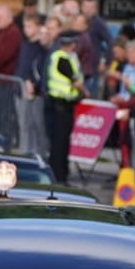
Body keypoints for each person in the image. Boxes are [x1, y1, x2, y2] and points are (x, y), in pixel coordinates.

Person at [43, 32, 85, 182]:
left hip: (62, 105)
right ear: (71, 44)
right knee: (60, 145)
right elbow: (74, 80)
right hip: (61, 106)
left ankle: (58, 174)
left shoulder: (61, 57)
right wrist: (85, 92)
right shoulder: (62, 58)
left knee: (59, 144)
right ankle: (60, 176)